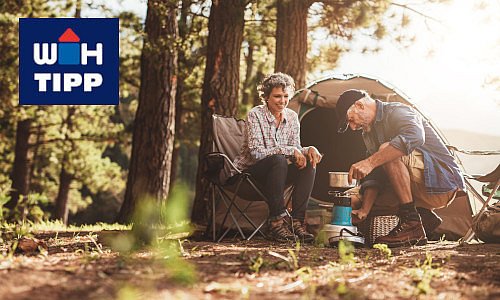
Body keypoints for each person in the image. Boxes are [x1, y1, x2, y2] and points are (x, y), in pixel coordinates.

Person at [336, 89, 465, 247]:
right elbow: (375, 175)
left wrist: (369, 162)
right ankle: (422, 217)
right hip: (409, 187)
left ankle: (412, 222)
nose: (353, 127)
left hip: (440, 183)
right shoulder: (368, 134)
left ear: (360, 105)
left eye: (351, 120)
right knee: (349, 199)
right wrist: (364, 209)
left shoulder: (398, 111)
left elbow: (415, 136)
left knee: (386, 149)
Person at [233, 72, 322, 243]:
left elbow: (295, 147)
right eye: (277, 96)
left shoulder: (292, 117)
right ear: (266, 97)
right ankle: (275, 223)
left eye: (286, 96)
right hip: (251, 174)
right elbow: (257, 153)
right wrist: (289, 151)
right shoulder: (255, 115)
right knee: (279, 159)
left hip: (277, 174)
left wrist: (308, 150)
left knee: (309, 163)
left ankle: (296, 221)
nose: (282, 101)